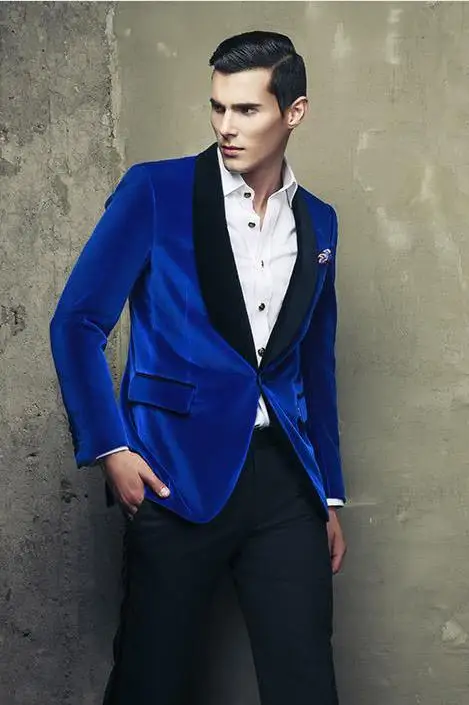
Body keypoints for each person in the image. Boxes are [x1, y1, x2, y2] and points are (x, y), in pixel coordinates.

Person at [50, 30, 347, 705]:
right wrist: (112, 449)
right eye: (218, 107)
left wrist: (327, 493)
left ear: (294, 112)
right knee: (150, 681)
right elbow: (77, 323)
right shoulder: (156, 191)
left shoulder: (320, 223)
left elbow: (315, 364)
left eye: (247, 110)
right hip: (174, 471)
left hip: (285, 482)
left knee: (306, 683)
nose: (226, 126)